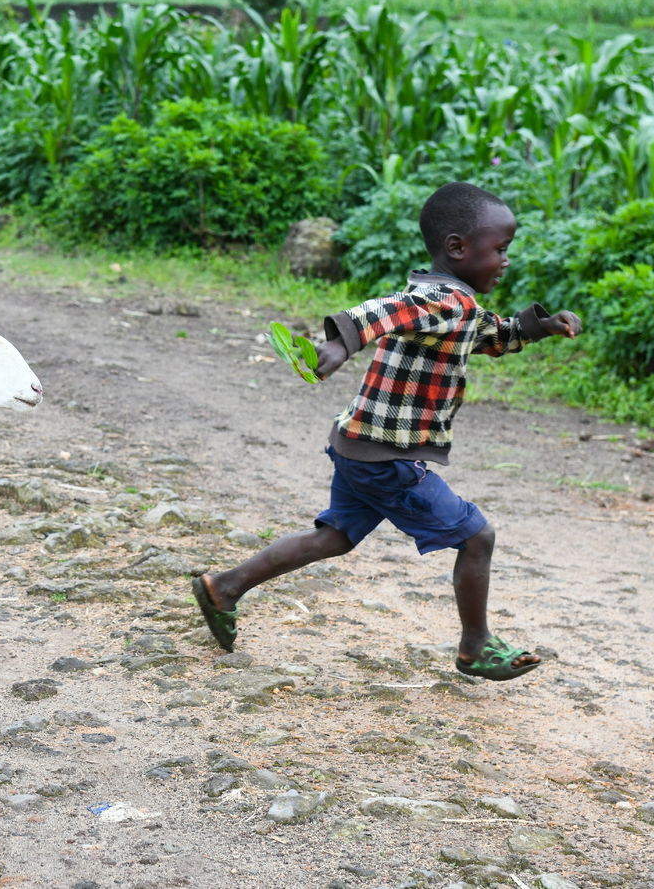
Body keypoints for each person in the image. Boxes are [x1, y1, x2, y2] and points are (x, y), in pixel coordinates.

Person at [192, 181, 581, 681]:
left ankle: (225, 586)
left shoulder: (454, 304)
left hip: (357, 443)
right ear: (458, 247)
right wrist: (339, 344)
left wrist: (539, 326)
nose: (505, 260)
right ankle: (475, 645)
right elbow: (383, 311)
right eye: (499, 250)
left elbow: (489, 335)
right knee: (477, 536)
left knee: (334, 537)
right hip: (387, 456)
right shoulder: (443, 301)